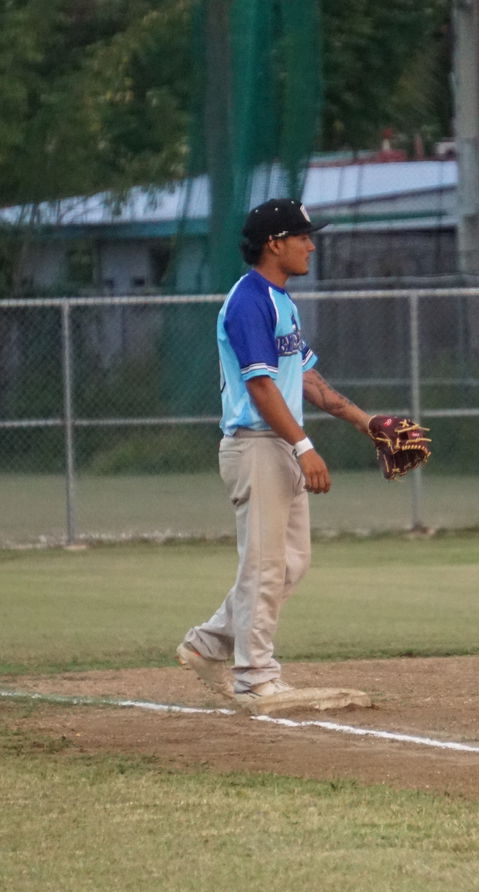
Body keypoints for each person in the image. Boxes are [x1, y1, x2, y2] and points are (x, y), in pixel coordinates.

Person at [176, 198, 379, 708]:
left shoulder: (280, 300)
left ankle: (208, 645)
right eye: (302, 236)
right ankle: (255, 677)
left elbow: (304, 378)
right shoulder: (249, 301)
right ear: (274, 243)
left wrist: (366, 422)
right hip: (257, 445)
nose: (311, 245)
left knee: (289, 563)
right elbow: (262, 388)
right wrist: (304, 446)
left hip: (278, 444)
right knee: (265, 566)